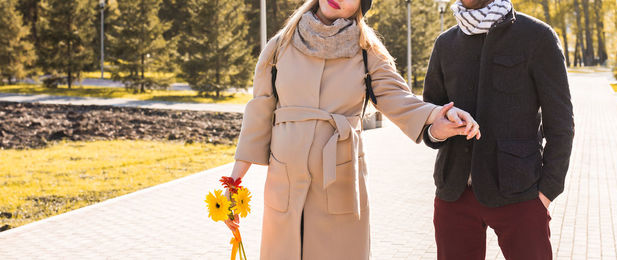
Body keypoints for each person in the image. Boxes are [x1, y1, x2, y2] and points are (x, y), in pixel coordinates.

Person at [224, 0, 481, 259]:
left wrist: (440, 113)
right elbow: (258, 113)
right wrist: (232, 183)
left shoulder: (367, 51)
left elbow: (399, 97)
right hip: (286, 184)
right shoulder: (281, 44)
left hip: (340, 181)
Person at [422, 0, 575, 259]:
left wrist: (546, 193)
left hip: (520, 194)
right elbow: (428, 117)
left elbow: (561, 124)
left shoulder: (537, 37)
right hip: (454, 193)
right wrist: (437, 131)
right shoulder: (445, 43)